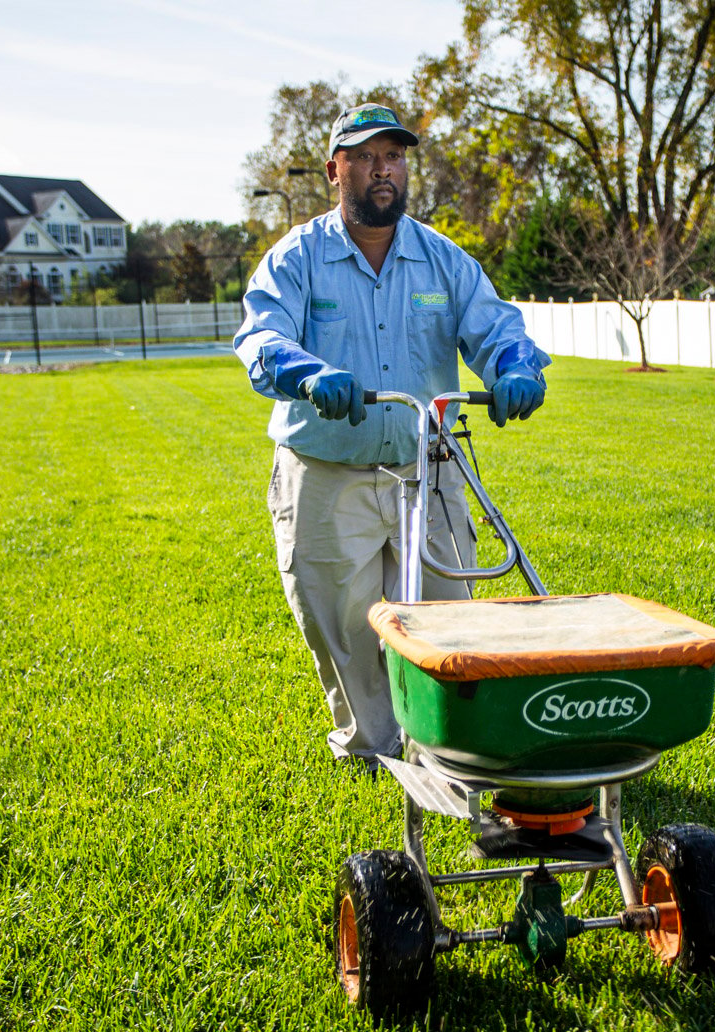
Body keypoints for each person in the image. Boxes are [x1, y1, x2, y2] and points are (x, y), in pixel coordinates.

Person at [234, 103, 550, 770]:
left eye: (395, 155)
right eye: (368, 156)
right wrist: (308, 373)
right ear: (334, 169)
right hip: (326, 468)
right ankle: (373, 752)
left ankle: (448, 748)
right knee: (344, 623)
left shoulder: (441, 260)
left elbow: (494, 326)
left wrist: (514, 367)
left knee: (447, 615)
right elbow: (262, 337)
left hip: (427, 464)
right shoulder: (297, 259)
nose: (384, 168)